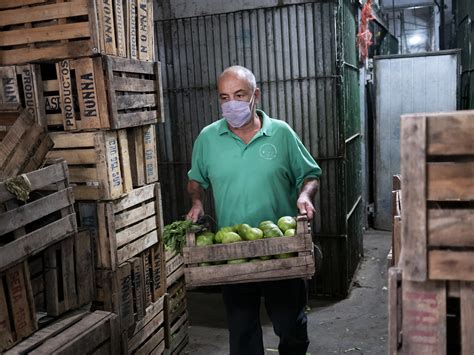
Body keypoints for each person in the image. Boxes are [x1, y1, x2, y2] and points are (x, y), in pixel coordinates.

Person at [186, 65, 322, 355]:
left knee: (291, 326)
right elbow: (195, 181)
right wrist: (197, 201)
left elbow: (309, 175)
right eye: (224, 97)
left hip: (281, 248)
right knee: (242, 331)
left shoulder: (281, 133)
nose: (231, 104)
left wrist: (306, 196)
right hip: (233, 253)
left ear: (255, 95)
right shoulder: (208, 138)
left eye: (238, 95)